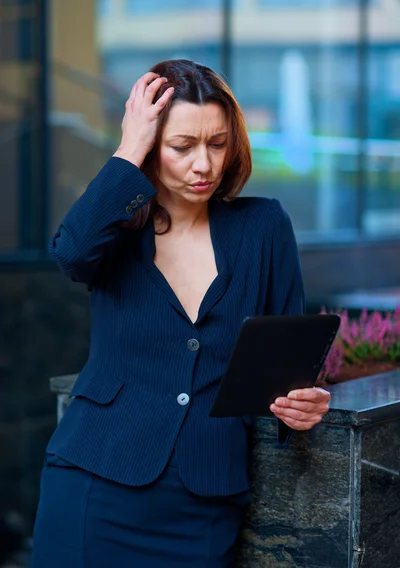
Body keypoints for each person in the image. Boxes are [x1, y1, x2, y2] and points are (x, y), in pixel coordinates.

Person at [30, 59, 330, 568]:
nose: (203, 166)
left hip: (204, 495)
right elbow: (70, 255)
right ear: (151, 148)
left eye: (217, 144)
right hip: (95, 481)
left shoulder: (264, 226)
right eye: (181, 147)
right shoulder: (115, 227)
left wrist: (301, 404)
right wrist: (129, 146)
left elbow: (285, 362)